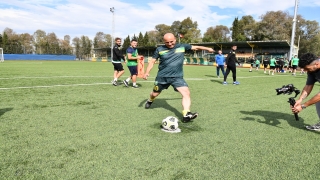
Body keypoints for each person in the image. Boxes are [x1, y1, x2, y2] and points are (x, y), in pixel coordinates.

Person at [143, 33, 214, 123]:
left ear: (175, 39)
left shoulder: (182, 46)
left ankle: (186, 114)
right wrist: (146, 72)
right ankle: (150, 100)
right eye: (167, 42)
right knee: (154, 94)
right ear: (164, 41)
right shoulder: (159, 49)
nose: (169, 44)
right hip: (162, 77)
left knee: (186, 93)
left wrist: (207, 48)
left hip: (177, 77)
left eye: (171, 41)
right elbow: (152, 61)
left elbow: (196, 47)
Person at [291, 53, 320, 131]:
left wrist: (303, 106)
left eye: (307, 68)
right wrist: (300, 100)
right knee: (318, 102)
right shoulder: (311, 71)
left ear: (316, 64)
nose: (305, 71)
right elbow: (308, 86)